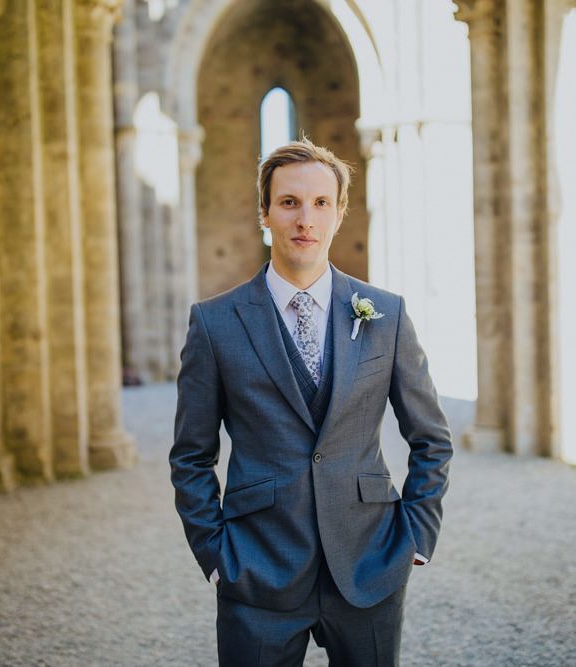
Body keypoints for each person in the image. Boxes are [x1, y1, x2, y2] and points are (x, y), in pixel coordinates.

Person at [169, 138, 452, 666]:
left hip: (369, 565)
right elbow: (190, 455)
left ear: (340, 213)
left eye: (321, 203)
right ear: (265, 213)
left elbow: (431, 438)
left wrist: (415, 537)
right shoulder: (214, 323)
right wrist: (215, 556)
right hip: (257, 570)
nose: (305, 219)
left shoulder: (385, 315)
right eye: (289, 202)